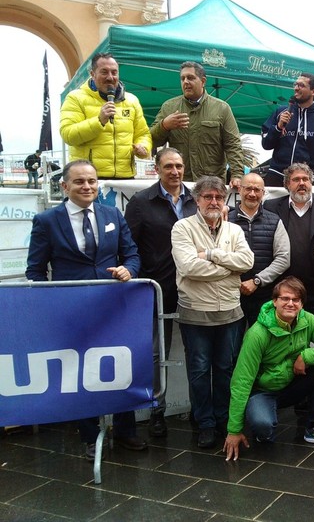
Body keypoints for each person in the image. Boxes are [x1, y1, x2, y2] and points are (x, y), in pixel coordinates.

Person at [25, 159, 146, 459]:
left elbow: (131, 254)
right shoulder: (47, 221)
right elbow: (35, 270)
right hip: (71, 311)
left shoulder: (112, 214)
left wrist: (128, 270)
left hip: (113, 307)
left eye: (91, 181)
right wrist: (50, 303)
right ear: (64, 186)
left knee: (121, 367)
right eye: (79, 182)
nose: (87, 186)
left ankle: (126, 431)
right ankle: (90, 436)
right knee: (80, 371)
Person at [223, 277, 314, 461]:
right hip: (263, 391)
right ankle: (259, 422)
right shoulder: (257, 334)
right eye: (285, 298)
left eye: (296, 300)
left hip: (292, 384)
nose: (290, 303)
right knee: (264, 429)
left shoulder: (308, 320)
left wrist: (306, 356)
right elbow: (241, 381)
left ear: (302, 304)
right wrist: (233, 430)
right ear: (274, 301)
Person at [171, 176, 254, 449]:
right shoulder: (182, 228)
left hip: (230, 312)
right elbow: (188, 268)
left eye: (219, 197)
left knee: (225, 369)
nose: (214, 202)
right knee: (198, 370)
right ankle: (205, 423)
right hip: (196, 312)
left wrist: (210, 255)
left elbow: (248, 262)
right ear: (197, 200)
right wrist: (230, 272)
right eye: (208, 197)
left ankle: (223, 419)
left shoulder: (234, 230)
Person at [124, 147, 197, 437]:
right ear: (157, 168)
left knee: (197, 352)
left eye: (179, 165)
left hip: (194, 289)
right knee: (157, 354)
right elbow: (128, 246)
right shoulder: (141, 202)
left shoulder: (195, 200)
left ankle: (200, 409)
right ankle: (157, 410)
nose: (175, 171)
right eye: (168, 166)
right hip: (157, 288)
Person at [263, 163, 314, 322]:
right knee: (286, 344)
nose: (302, 183)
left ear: (311, 182)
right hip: (285, 293)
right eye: (296, 179)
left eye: (305, 179)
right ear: (287, 184)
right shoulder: (271, 207)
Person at [150, 61, 245, 186]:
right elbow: (151, 140)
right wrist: (164, 126)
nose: (185, 82)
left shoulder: (222, 108)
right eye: (182, 78)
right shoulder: (169, 107)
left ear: (203, 81)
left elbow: (233, 145)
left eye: (190, 78)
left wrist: (237, 175)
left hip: (211, 184)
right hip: (179, 183)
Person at [60, 53, 151, 179]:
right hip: (89, 179)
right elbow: (68, 135)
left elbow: (143, 134)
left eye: (114, 72)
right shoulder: (75, 98)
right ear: (92, 74)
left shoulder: (132, 100)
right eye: (104, 72)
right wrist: (99, 121)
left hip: (125, 177)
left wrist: (143, 147)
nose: (110, 77)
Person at [228, 172, 291, 327]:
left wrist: (257, 281)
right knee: (233, 349)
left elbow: (284, 258)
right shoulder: (225, 220)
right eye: (248, 188)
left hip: (265, 298)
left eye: (257, 190)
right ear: (240, 190)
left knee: (264, 348)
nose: (252, 194)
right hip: (231, 298)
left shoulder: (275, 221)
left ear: (263, 193)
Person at [261, 73, 314, 186]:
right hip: (276, 177)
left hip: (305, 180)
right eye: (296, 84)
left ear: (313, 91)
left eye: (301, 85)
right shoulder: (280, 112)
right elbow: (266, 144)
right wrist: (278, 127)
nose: (296, 88)